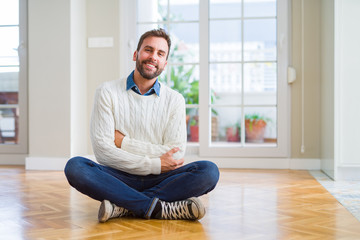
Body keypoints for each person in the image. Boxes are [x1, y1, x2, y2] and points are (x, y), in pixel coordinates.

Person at [64, 29, 219, 222]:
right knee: (76, 167)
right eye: (148, 50)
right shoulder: (107, 92)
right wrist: (155, 163)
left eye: (160, 54)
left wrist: (124, 143)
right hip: (119, 175)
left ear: (165, 63)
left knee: (209, 171)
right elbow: (103, 151)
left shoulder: (175, 100)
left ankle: (123, 206)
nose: (153, 57)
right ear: (136, 54)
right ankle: (157, 207)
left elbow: (176, 154)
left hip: (162, 177)